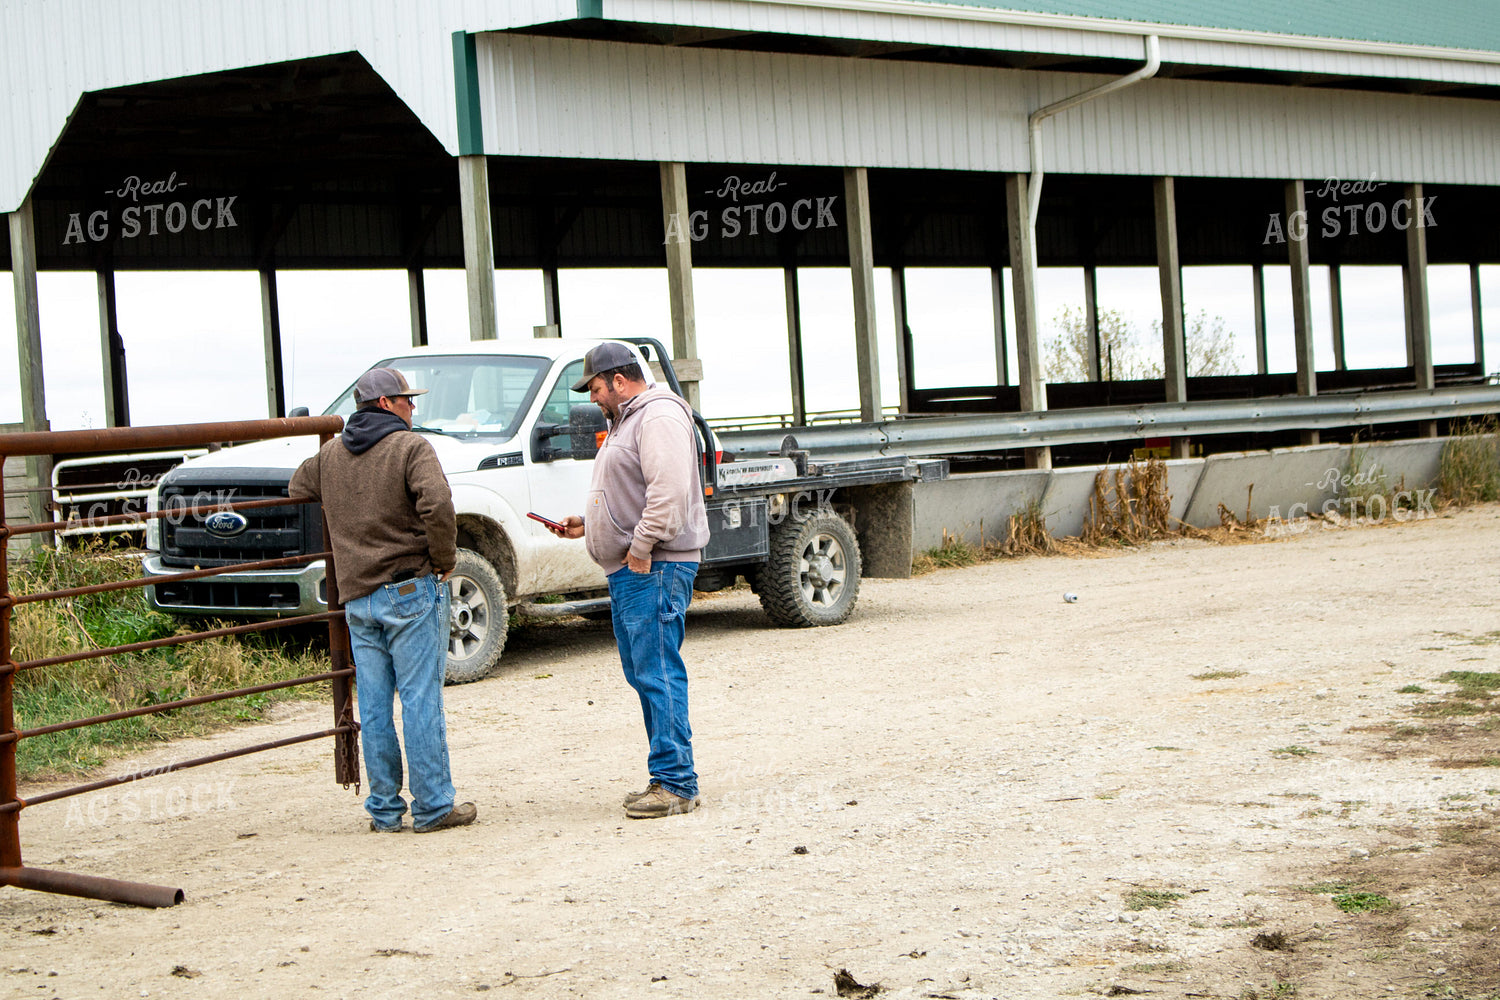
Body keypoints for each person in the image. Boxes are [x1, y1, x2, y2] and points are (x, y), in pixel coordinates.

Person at [290, 367, 477, 834]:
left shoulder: (330, 455)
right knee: (420, 699)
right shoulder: (411, 448)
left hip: (359, 599)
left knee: (373, 705)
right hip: (409, 587)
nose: (413, 408)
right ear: (385, 404)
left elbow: (297, 487)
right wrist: (443, 559)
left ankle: (385, 810)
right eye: (407, 400)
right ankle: (433, 806)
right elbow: (437, 503)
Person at [549, 343, 710, 819]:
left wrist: (639, 549)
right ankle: (668, 776)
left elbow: (669, 491)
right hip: (636, 567)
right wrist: (587, 523)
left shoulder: (656, 416)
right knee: (646, 672)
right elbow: (634, 491)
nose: (594, 399)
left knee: (657, 670)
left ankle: (677, 783)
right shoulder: (628, 419)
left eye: (596, 388)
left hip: (653, 567)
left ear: (620, 381)